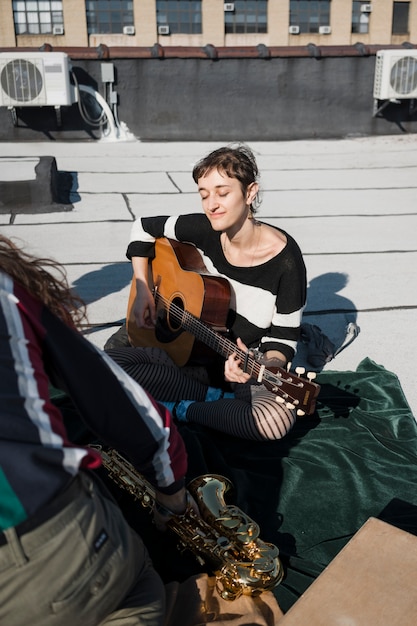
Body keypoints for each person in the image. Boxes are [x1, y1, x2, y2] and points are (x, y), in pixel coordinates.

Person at [0, 235, 192, 626]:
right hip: (55, 546)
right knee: (139, 588)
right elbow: (122, 405)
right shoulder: (8, 291)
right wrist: (172, 497)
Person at [106, 144, 307, 441]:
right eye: (204, 194)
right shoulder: (203, 228)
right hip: (181, 350)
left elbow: (283, 340)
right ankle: (214, 402)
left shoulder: (286, 261)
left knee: (273, 421)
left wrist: (264, 366)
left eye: (223, 193)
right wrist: (143, 287)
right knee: (101, 367)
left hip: (238, 363)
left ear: (250, 193)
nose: (211, 204)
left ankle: (180, 407)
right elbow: (143, 227)